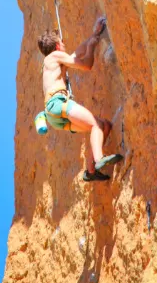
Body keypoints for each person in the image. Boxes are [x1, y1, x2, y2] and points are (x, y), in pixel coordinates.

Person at [38, 16, 122, 182]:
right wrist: (91, 47)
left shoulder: (52, 62)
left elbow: (77, 52)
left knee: (104, 126)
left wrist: (94, 36)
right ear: (56, 46)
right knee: (95, 124)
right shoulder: (55, 56)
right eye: (62, 42)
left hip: (54, 115)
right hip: (58, 104)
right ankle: (99, 160)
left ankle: (91, 171)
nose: (64, 44)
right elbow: (85, 64)